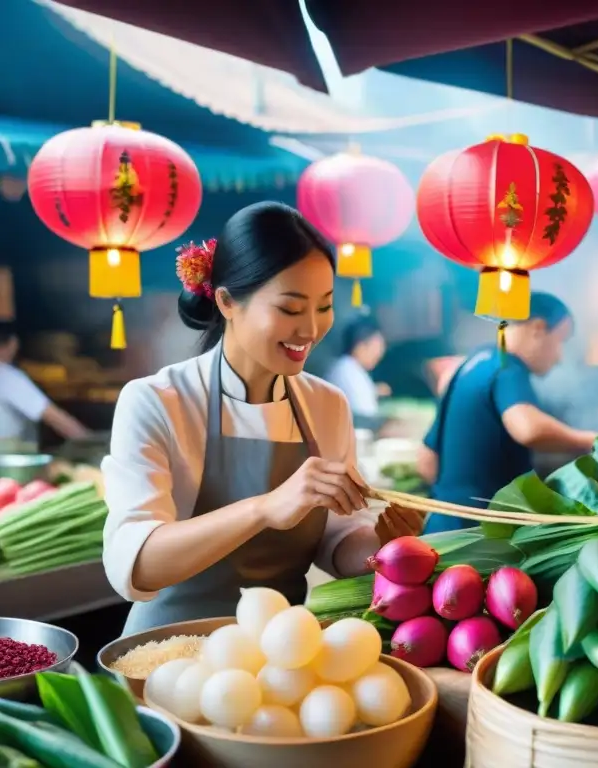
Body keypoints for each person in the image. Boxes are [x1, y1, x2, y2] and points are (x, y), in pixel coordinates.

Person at [101, 202, 422, 635]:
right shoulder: (157, 401)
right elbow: (136, 564)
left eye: (324, 306)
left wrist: (381, 544)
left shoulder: (327, 404)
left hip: (281, 653)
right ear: (227, 301)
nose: (310, 329)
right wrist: (264, 509)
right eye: (290, 309)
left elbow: (336, 541)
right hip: (167, 652)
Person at [417, 293, 598, 533]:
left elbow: (426, 460)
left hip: (442, 529)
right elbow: (528, 429)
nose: (559, 358)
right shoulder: (508, 368)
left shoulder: (469, 363)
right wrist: (594, 441)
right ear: (539, 328)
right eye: (561, 341)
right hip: (479, 538)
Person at [0, 322, 90, 446]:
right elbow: (56, 419)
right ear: (12, 344)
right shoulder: (7, 376)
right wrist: (90, 442)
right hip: (9, 457)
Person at [324, 312, 390, 429]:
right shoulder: (348, 371)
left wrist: (375, 391)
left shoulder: (348, 367)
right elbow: (366, 416)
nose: (380, 353)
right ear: (360, 346)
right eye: (378, 346)